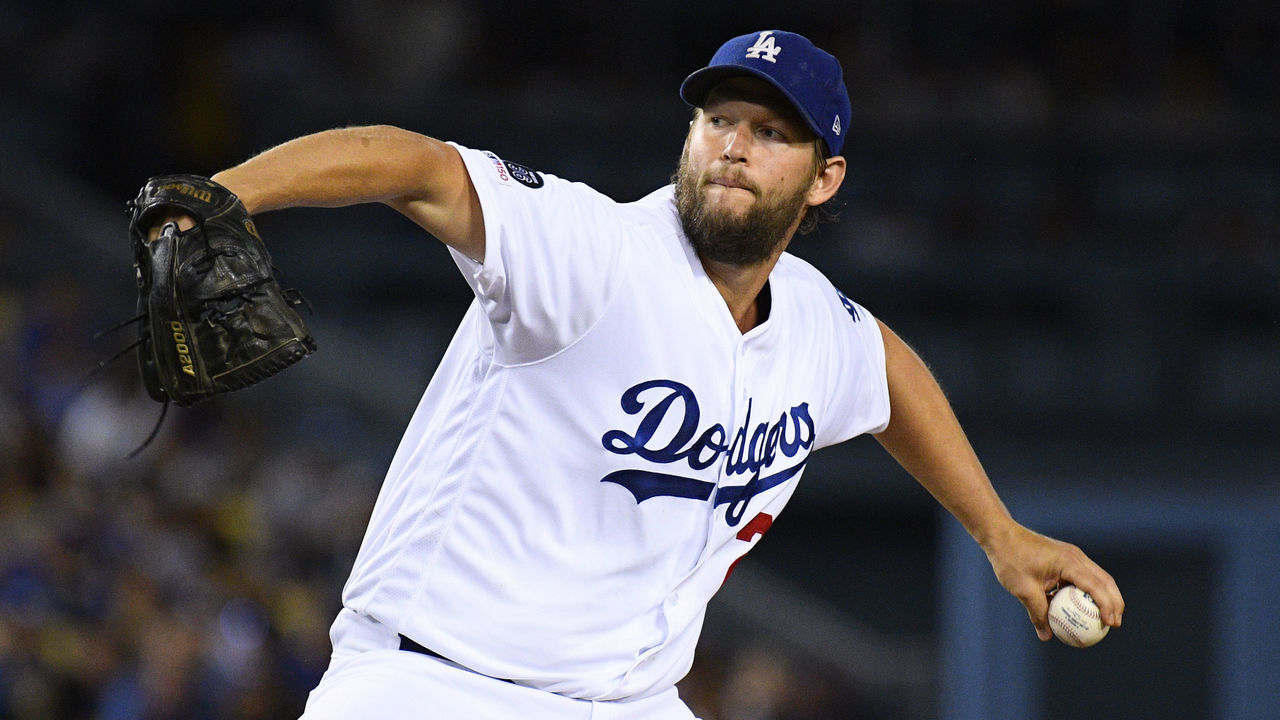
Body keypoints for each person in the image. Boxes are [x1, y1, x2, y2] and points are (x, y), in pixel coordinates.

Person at [149, 29, 1123, 719]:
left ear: (823, 176)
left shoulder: (815, 323)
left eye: (771, 132)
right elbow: (413, 164)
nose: (733, 144)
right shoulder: (593, 249)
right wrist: (227, 195)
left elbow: (886, 368)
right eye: (718, 119)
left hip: (628, 702)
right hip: (436, 687)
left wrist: (998, 535)